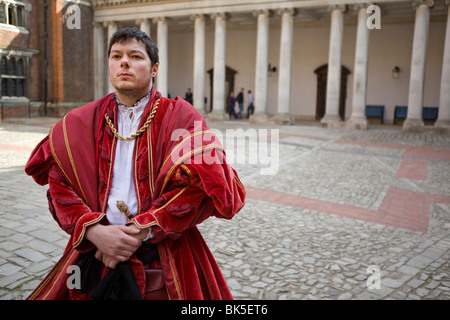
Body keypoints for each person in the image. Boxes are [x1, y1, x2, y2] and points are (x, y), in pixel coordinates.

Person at [25, 27, 245, 300]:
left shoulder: (180, 117)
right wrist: (93, 230)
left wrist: (144, 228)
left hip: (163, 255)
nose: (124, 62)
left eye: (135, 56)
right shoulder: (80, 121)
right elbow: (59, 185)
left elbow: (200, 189)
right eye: (116, 56)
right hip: (95, 252)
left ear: (154, 69)